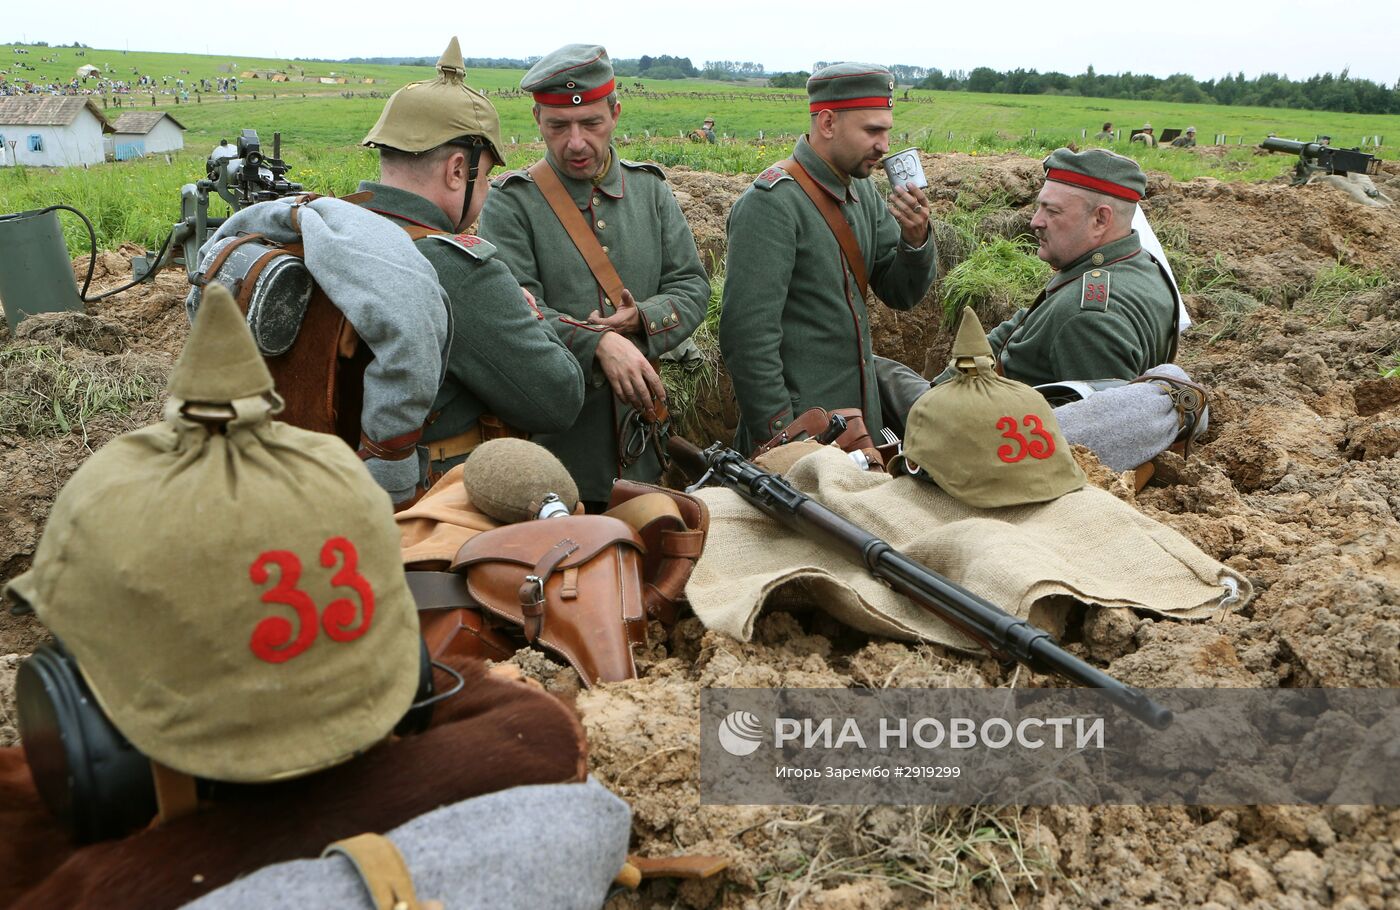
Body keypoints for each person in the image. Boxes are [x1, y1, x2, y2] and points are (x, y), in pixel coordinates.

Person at [479, 43, 709, 510]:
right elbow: (515, 311)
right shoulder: (512, 202)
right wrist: (598, 344)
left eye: (591, 123)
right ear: (537, 120)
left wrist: (640, 320)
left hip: (641, 440)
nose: (576, 142)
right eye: (558, 126)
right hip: (555, 452)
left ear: (616, 113)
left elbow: (691, 286)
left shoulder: (650, 191)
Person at [358, 37, 585, 486]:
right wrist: (531, 313)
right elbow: (559, 398)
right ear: (459, 170)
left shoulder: (339, 233)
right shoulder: (453, 268)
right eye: (488, 175)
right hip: (429, 508)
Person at [718, 63, 935, 454]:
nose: (884, 145)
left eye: (887, 130)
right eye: (872, 130)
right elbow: (748, 338)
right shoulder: (772, 204)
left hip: (857, 428)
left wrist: (915, 238)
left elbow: (900, 292)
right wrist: (785, 437)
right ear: (828, 123)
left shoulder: (862, 192)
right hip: (803, 434)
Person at [876, 148, 1179, 426]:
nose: (1036, 221)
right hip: (981, 402)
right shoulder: (1138, 266)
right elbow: (1028, 324)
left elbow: (1092, 433)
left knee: (868, 371)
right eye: (1039, 208)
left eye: (1052, 211)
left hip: (975, 433)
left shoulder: (1087, 315)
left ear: (1101, 219)